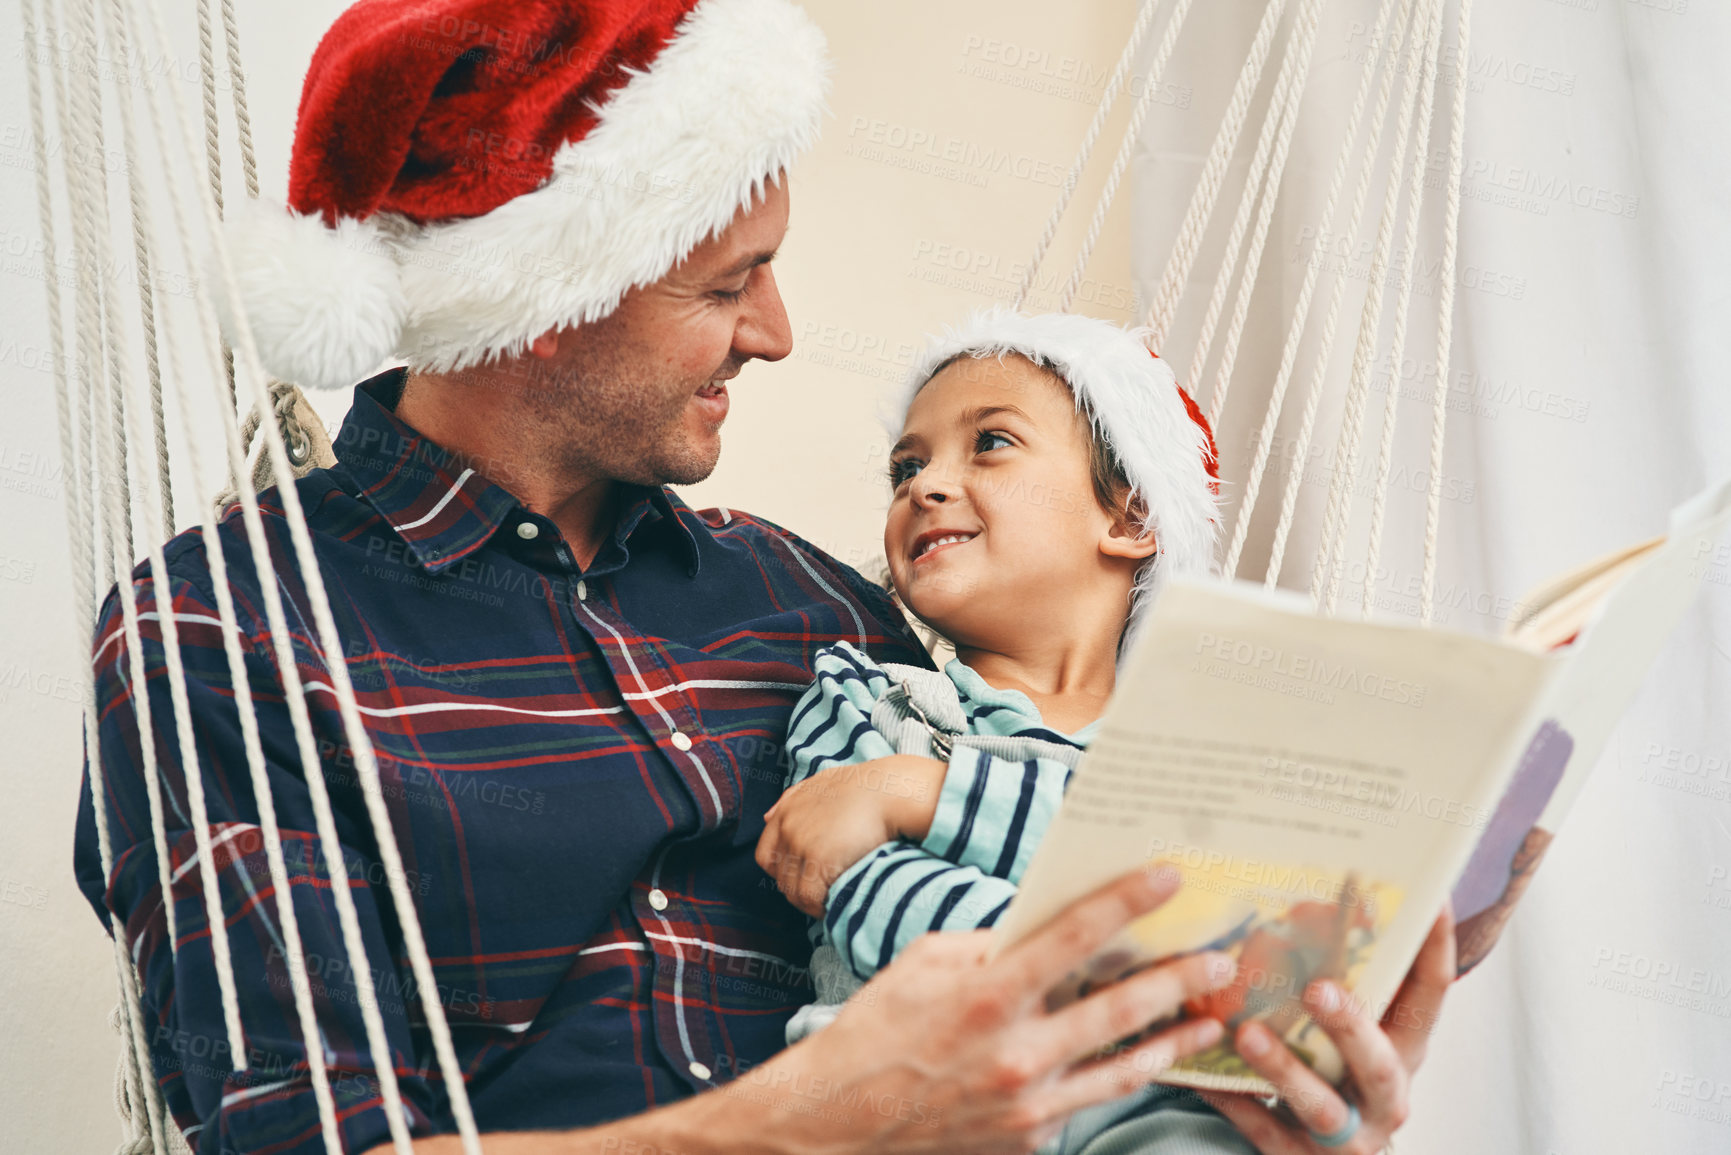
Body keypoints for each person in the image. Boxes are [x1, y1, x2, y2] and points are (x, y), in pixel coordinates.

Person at [72, 2, 1455, 1152]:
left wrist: (1303, 989)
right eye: (729, 285)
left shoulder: (812, 607)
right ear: (547, 303)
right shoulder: (227, 621)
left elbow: (1042, 849)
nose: (779, 334)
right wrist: (816, 1119)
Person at [757, 310, 1453, 1154]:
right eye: (907, 464)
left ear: (1128, 519)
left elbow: (1250, 928)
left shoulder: (1206, 767)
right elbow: (871, 904)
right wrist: (1165, 976)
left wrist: (932, 795)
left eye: (990, 444)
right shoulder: (870, 698)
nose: (923, 484)